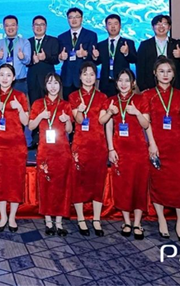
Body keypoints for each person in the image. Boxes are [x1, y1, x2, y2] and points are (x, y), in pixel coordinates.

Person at [144, 58, 180, 242]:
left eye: (169, 71)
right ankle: (162, 220)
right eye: (161, 71)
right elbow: (147, 123)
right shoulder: (148, 95)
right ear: (155, 73)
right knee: (159, 183)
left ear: (173, 74)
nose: (165, 75)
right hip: (158, 145)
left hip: (178, 146)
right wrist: (152, 144)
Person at [107, 70, 152, 240]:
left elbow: (146, 124)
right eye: (120, 80)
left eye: (127, 80)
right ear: (116, 83)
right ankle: (126, 222)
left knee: (139, 185)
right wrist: (110, 148)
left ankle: (137, 223)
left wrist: (137, 112)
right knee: (123, 186)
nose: (124, 84)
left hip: (138, 149)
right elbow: (108, 126)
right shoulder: (112, 101)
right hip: (119, 150)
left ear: (133, 83)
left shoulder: (141, 99)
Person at [69, 63, 112, 236]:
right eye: (85, 74)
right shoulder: (73, 96)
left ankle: (96, 219)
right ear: (80, 77)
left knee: (97, 181)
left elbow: (102, 121)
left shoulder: (102, 97)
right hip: (80, 145)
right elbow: (79, 121)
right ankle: (81, 218)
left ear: (96, 77)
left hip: (98, 145)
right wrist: (79, 111)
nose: (88, 77)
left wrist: (110, 112)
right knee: (79, 181)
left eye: (92, 74)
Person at [0, 64, 29, 233]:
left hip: (17, 146)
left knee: (16, 180)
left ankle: (12, 217)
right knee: (0, 181)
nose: (5, 78)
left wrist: (19, 108)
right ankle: (3, 216)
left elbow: (26, 122)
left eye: (8, 75)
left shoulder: (20, 96)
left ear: (14, 78)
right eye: (2, 75)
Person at [30, 73, 74, 236]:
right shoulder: (38, 104)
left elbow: (69, 130)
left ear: (60, 85)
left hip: (62, 151)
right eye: (49, 83)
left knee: (61, 185)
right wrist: (41, 116)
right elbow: (30, 125)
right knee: (46, 185)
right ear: (45, 86)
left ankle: (59, 221)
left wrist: (66, 120)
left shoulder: (65, 105)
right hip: (45, 151)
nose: (53, 86)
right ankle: (48, 220)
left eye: (56, 83)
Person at [57, 8, 98, 97]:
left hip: (84, 78)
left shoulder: (91, 35)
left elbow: (94, 56)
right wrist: (60, 57)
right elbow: (59, 56)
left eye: (77, 17)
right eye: (71, 17)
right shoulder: (61, 37)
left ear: (82, 19)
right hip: (67, 78)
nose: (74, 20)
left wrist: (85, 54)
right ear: (67, 19)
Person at [95, 14, 136, 95]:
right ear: (106, 27)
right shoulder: (101, 45)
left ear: (120, 26)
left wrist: (126, 53)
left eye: (115, 24)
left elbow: (134, 59)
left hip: (123, 84)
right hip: (105, 84)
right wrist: (94, 57)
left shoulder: (128, 43)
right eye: (110, 24)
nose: (113, 26)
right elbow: (97, 62)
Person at [136, 15, 179, 92]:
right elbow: (140, 67)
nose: (161, 27)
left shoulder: (176, 44)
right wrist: (143, 87)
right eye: (158, 24)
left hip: (174, 86)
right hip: (150, 86)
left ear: (169, 27)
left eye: (164, 24)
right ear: (152, 27)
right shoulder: (145, 45)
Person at [0, 15, 32, 93]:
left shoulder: (25, 42)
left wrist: (22, 57)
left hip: (19, 81)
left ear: (17, 26)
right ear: (4, 27)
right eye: (7, 25)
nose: (10, 28)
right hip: (3, 81)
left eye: (13, 25)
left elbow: (27, 61)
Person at [27, 15, 61, 96]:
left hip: (48, 80)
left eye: (42, 24)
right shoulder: (27, 42)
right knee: (34, 103)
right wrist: (32, 61)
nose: (39, 27)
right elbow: (25, 61)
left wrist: (45, 58)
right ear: (32, 27)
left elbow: (56, 60)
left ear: (46, 26)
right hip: (33, 80)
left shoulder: (53, 41)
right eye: (36, 25)